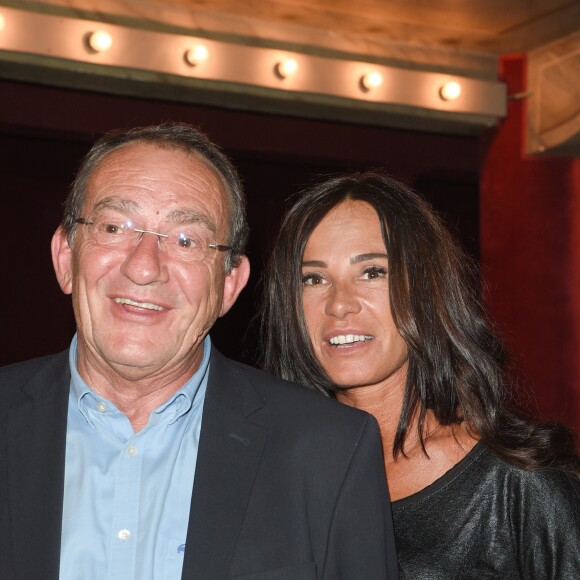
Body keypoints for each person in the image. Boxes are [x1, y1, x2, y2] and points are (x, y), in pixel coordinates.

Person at [0, 125, 399, 580]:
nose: (144, 266)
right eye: (114, 227)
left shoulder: (329, 451)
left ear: (229, 285)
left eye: (186, 240)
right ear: (65, 257)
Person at [260, 171, 580, 579]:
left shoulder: (519, 484)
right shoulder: (270, 477)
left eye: (373, 272)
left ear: (426, 287)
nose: (339, 304)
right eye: (314, 278)